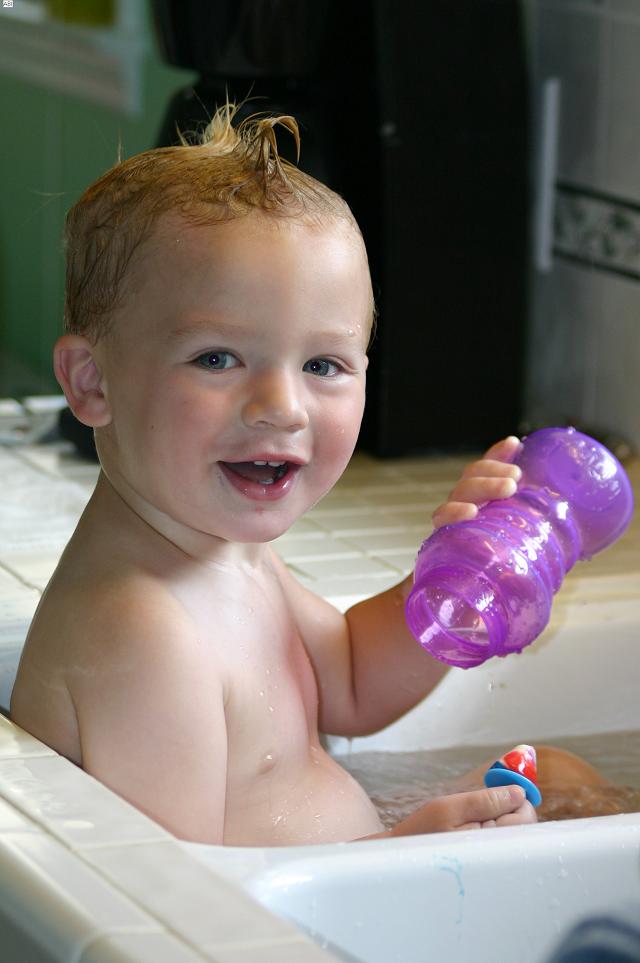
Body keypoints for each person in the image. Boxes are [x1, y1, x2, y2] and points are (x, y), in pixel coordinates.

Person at [12, 104, 565, 844]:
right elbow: (180, 897)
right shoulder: (141, 635)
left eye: (323, 364)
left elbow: (354, 682)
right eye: (217, 358)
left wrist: (454, 576)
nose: (281, 406)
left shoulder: (222, 555)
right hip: (302, 907)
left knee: (562, 776)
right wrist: (409, 855)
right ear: (92, 382)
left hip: (346, 881)